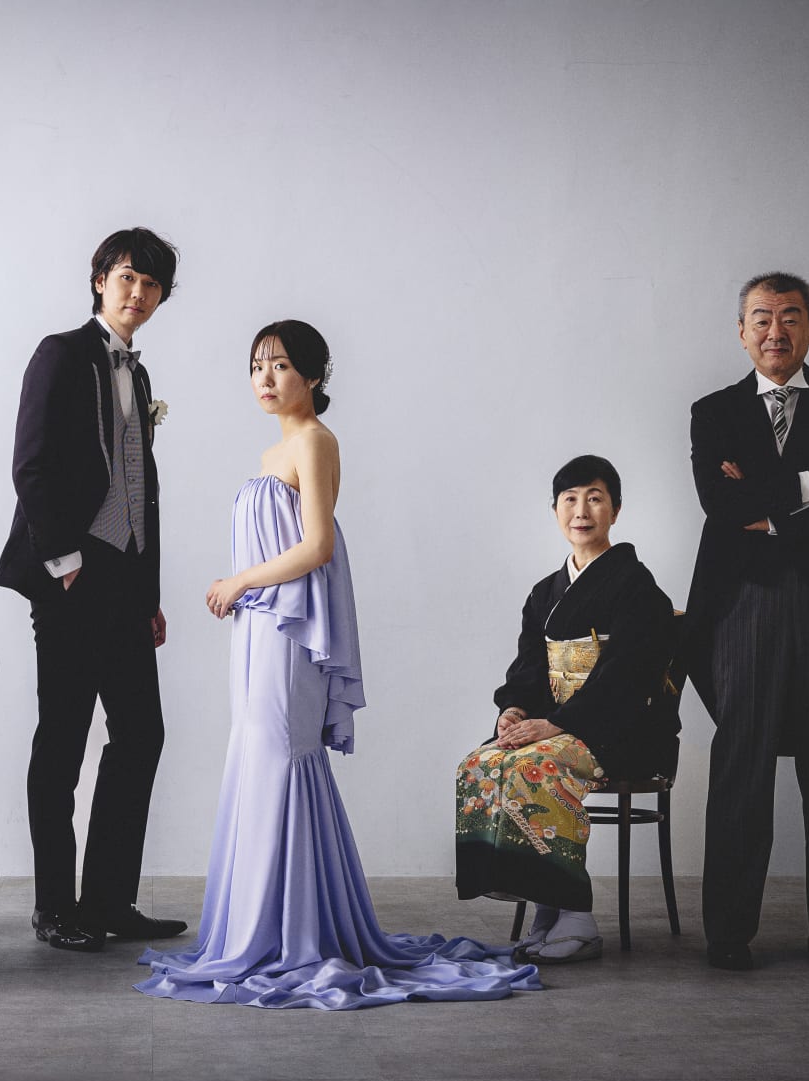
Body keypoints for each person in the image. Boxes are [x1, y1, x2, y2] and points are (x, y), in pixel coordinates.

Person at [137, 321, 538, 1008]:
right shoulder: (274, 451)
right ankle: (267, 925)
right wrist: (246, 593)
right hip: (260, 629)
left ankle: (293, 932)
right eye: (256, 366)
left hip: (286, 632)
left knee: (283, 760)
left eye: (280, 365)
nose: (265, 378)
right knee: (259, 760)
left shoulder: (315, 442)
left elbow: (318, 545)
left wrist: (239, 582)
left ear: (315, 376)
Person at [686, 272, 809, 971]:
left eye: (791, 317)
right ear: (742, 332)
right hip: (745, 604)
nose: (777, 331)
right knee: (741, 765)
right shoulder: (713, 412)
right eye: (762, 318)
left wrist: (767, 507)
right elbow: (721, 505)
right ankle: (728, 933)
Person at [0, 227, 186, 952]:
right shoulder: (61, 353)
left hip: (125, 582)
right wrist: (66, 561)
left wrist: (148, 592)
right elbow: (31, 464)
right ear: (101, 279)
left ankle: (107, 899)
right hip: (69, 578)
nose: (139, 292)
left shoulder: (138, 374)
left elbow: (140, 486)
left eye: (152, 284)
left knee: (141, 734)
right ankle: (54, 906)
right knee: (64, 742)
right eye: (127, 277)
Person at [454, 456, 679, 962]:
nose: (581, 511)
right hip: (559, 727)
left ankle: (577, 916)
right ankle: (545, 906)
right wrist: (514, 710)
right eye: (570, 499)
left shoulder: (638, 588)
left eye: (595, 498)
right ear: (555, 510)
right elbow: (528, 669)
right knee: (481, 762)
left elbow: (626, 678)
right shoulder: (545, 593)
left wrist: (555, 724)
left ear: (615, 510)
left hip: (623, 732)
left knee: (535, 766)